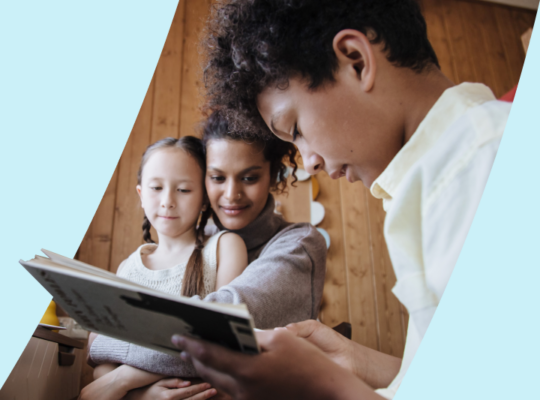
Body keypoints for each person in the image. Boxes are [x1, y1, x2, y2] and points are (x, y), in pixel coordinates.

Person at [169, 0, 512, 399]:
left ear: (356, 61)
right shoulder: (441, 175)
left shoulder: (478, 162)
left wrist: (324, 386)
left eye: (295, 127)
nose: (310, 161)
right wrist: (355, 364)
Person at [86, 112, 327, 399]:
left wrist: (120, 371)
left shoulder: (296, 244)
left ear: (273, 175)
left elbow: (217, 327)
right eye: (216, 177)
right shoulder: (183, 242)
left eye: (249, 177)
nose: (231, 193)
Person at [80, 136, 248, 400]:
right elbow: (99, 356)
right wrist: (142, 395)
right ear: (141, 194)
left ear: (204, 198)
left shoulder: (225, 248)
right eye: (156, 187)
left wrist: (127, 377)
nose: (168, 200)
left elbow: (221, 345)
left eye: (183, 190)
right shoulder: (128, 268)